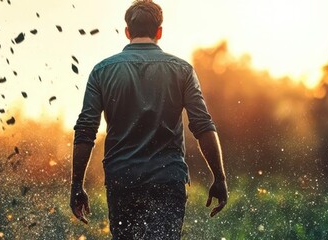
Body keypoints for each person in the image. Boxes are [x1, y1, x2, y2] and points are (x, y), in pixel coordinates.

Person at [69, 0, 228, 239]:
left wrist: (76, 185)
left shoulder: (102, 71)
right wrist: (219, 177)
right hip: (167, 180)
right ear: (159, 32)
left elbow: (85, 130)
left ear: (127, 31)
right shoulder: (182, 70)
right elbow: (203, 125)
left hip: (122, 181)